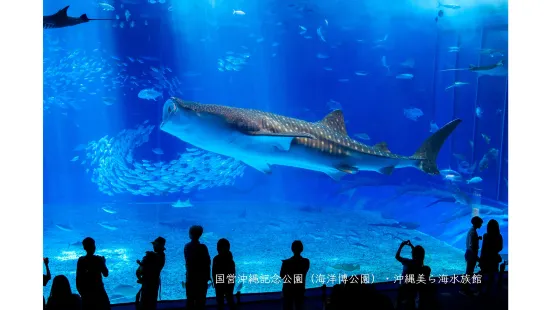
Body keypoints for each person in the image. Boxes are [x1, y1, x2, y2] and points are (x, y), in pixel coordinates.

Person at [76, 237, 110, 310]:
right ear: (94, 247)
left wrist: (82, 294)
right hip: (99, 293)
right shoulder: (98, 259)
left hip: (86, 294)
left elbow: (78, 280)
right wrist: (104, 263)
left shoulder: (81, 260)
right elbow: (106, 274)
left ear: (84, 248)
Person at [184, 226, 211, 310]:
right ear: (201, 234)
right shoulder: (203, 247)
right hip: (202, 279)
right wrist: (208, 276)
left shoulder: (187, 247)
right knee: (201, 300)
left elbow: (187, 261)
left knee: (190, 300)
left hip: (191, 278)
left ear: (190, 234)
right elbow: (208, 263)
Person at [136, 237, 166, 310]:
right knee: (152, 303)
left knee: (145, 303)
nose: (153, 246)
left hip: (148, 283)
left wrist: (141, 278)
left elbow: (139, 271)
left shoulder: (151, 256)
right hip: (154, 282)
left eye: (155, 244)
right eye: (153, 244)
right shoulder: (162, 256)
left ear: (159, 245)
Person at [280, 240, 310, 310]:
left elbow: (282, 275)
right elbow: (302, 273)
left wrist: (289, 281)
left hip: (288, 289)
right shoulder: (306, 261)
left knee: (288, 307)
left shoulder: (286, 263)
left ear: (292, 249)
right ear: (302, 249)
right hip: (300, 288)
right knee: (299, 306)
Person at [395, 240, 425, 310]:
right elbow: (418, 255)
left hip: (404, 288)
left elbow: (397, 256)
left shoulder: (407, 262)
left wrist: (401, 246)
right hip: (414, 289)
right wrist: (412, 246)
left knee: (400, 305)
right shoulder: (420, 263)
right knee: (412, 304)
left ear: (413, 254)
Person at [460, 216, 483, 296]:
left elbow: (471, 242)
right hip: (471, 254)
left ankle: (465, 288)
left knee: (469, 272)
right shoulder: (473, 232)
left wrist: (477, 238)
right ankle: (463, 289)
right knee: (469, 273)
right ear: (477, 223)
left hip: (469, 253)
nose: (481, 224)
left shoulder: (472, 230)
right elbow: (472, 246)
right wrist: (476, 257)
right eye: (480, 223)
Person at [479, 219, 503, 295]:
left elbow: (483, 248)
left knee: (482, 275)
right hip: (494, 258)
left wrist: (481, 259)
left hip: (486, 258)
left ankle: (480, 290)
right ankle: (489, 291)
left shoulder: (486, 236)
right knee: (491, 276)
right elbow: (500, 247)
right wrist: (494, 251)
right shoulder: (499, 236)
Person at [212, 238, 236, 310]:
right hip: (228, 282)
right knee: (230, 299)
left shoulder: (216, 259)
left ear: (217, 249)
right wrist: (231, 283)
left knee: (220, 300)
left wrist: (216, 283)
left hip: (220, 281)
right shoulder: (231, 260)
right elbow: (232, 274)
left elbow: (214, 272)